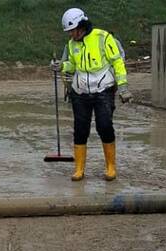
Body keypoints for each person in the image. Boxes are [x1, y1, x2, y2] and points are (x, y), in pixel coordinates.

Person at [55, 8, 132, 181]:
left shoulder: (103, 38)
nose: (70, 35)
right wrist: (61, 66)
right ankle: (79, 169)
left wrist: (123, 87)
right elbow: (73, 66)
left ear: (81, 26)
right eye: (68, 32)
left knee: (104, 126)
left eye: (72, 31)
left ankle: (111, 167)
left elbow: (118, 62)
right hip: (80, 93)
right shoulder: (71, 45)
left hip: (103, 91)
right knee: (80, 130)